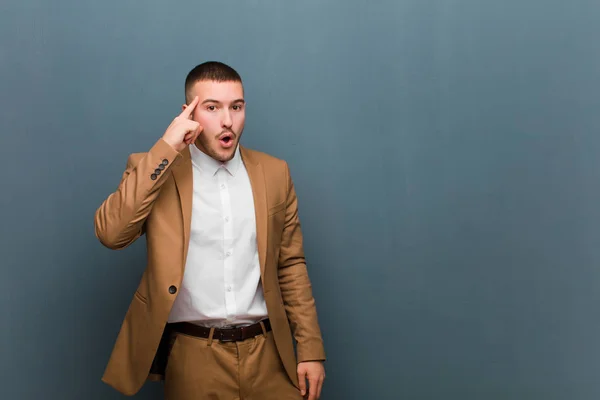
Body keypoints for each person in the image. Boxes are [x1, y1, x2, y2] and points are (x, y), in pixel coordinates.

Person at [94, 61, 326, 399]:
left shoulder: (274, 173)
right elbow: (111, 234)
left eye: (236, 106)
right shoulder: (157, 168)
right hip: (194, 357)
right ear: (188, 113)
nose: (227, 120)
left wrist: (310, 348)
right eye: (212, 107)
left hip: (270, 356)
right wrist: (167, 148)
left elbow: (290, 265)